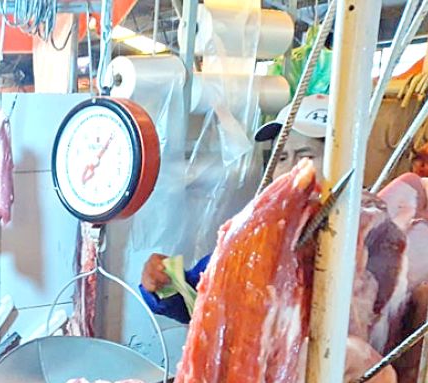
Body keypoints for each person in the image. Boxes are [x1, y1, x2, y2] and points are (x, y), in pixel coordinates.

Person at [140, 93, 329, 324]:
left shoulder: (363, 236)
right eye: (281, 157)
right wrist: (164, 284)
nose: (291, 169)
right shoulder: (257, 235)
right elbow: (203, 296)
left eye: (306, 156)